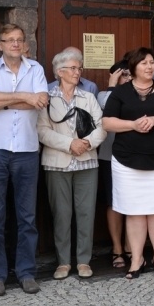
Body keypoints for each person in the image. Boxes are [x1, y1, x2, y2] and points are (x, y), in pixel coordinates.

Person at [0, 23, 49, 297]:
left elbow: (41, 100)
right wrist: (23, 97)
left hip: (27, 150)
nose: (15, 44)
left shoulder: (36, 69)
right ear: (1, 44)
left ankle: (26, 272)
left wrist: (4, 101)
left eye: (19, 40)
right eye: (10, 40)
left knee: (27, 217)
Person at [102, 47, 154, 279]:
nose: (149, 67)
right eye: (144, 63)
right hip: (127, 162)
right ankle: (136, 259)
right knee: (134, 212)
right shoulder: (120, 92)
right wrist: (133, 125)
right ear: (133, 67)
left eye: (152, 62)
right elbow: (107, 123)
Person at [38, 49, 107, 280]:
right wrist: (70, 144)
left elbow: (102, 126)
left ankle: (84, 261)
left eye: (79, 68)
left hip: (87, 162)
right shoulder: (47, 97)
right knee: (61, 214)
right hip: (57, 163)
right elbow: (41, 131)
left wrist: (86, 143)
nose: (78, 72)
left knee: (86, 213)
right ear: (60, 72)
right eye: (73, 68)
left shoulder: (88, 97)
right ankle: (64, 262)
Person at [96, 59, 133, 268]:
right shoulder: (104, 95)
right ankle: (117, 247)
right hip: (109, 157)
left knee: (132, 203)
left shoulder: (139, 95)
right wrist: (112, 84)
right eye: (123, 75)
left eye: (130, 75)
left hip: (133, 156)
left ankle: (130, 245)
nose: (127, 79)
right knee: (113, 203)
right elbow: (107, 107)